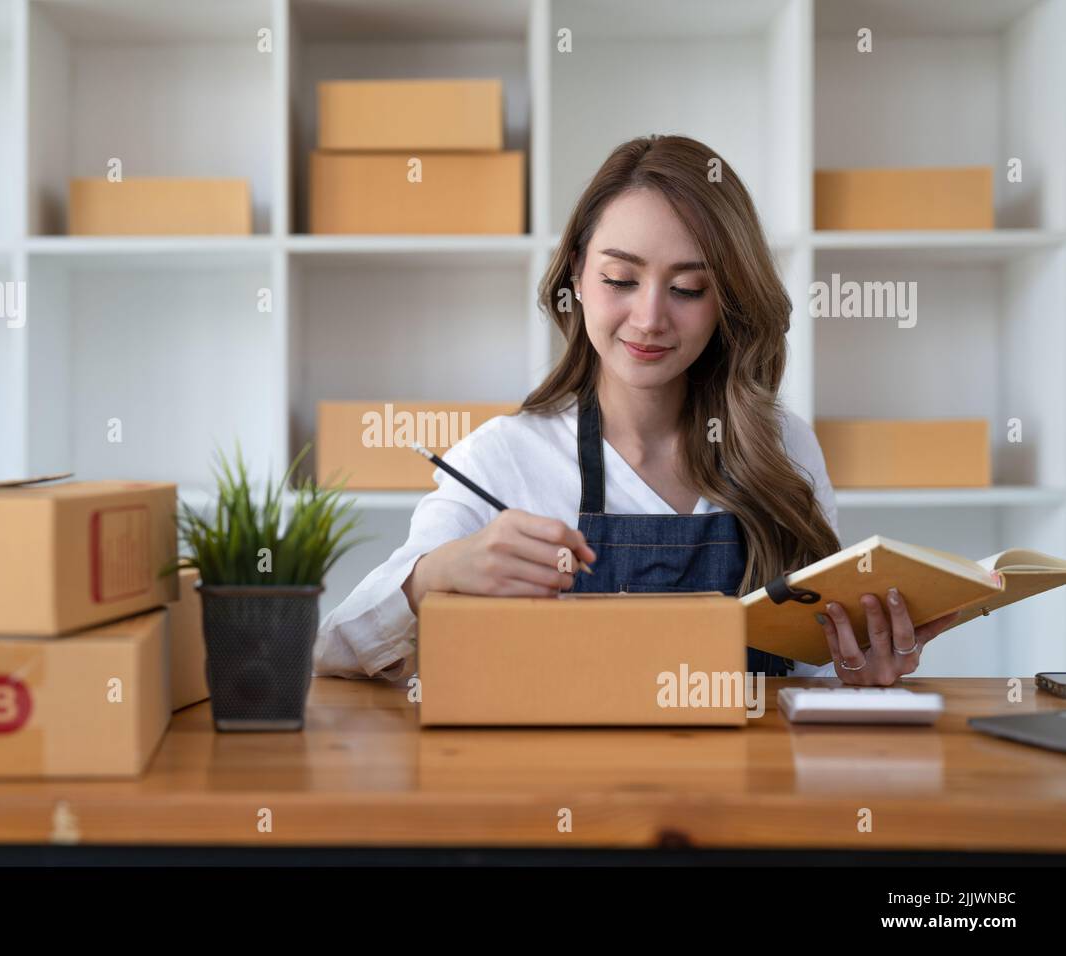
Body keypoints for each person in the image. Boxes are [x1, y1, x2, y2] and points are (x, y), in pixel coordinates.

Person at [314, 134, 959, 686]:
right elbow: (334, 651)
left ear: (727, 298)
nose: (649, 319)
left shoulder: (783, 449)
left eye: (688, 288)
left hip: (746, 814)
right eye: (620, 280)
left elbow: (812, 675)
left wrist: (858, 676)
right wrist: (432, 577)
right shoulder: (503, 458)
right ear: (575, 275)